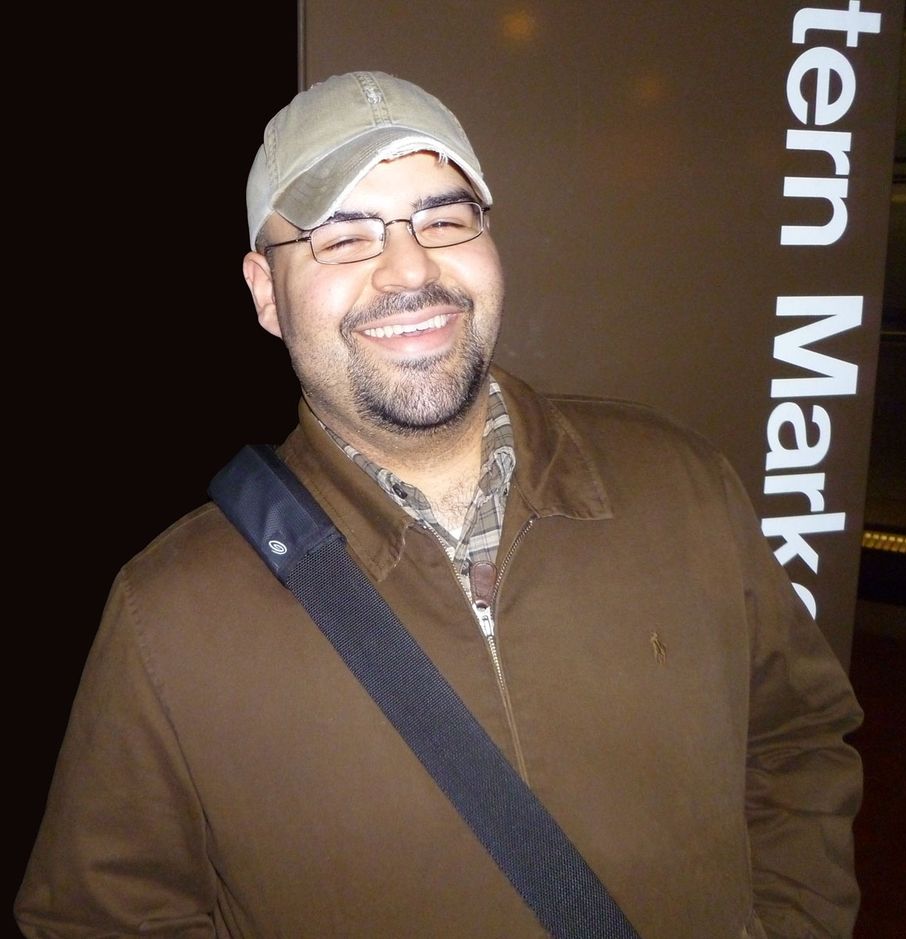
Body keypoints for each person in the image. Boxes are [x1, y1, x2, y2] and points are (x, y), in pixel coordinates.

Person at [15, 70, 863, 938]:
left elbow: (797, 743)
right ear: (266, 292)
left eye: (445, 218)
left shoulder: (680, 487)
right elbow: (102, 917)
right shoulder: (170, 614)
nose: (409, 267)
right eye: (342, 237)